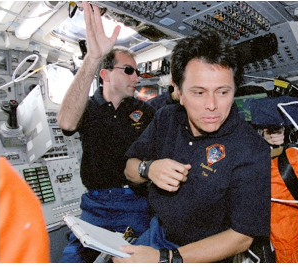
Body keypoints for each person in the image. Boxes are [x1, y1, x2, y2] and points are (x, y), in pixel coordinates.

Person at [117, 30, 271, 263]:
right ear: (178, 90)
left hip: (207, 253)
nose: (212, 105)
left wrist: (165, 258)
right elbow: (130, 168)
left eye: (223, 92)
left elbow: (242, 237)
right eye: (199, 92)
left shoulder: (251, 148)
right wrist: (148, 169)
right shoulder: (165, 118)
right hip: (157, 232)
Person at [55, 2, 155, 262]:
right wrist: (93, 56)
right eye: (129, 70)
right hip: (95, 205)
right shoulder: (87, 108)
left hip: (133, 203)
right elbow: (66, 122)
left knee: (129, 260)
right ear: (105, 74)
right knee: (71, 260)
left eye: (138, 71)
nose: (137, 77)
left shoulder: (146, 112)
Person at [250, 96, 298, 263]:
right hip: (288, 233)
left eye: (279, 130)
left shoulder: (291, 160)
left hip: (287, 235)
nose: (275, 135)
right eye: (270, 131)